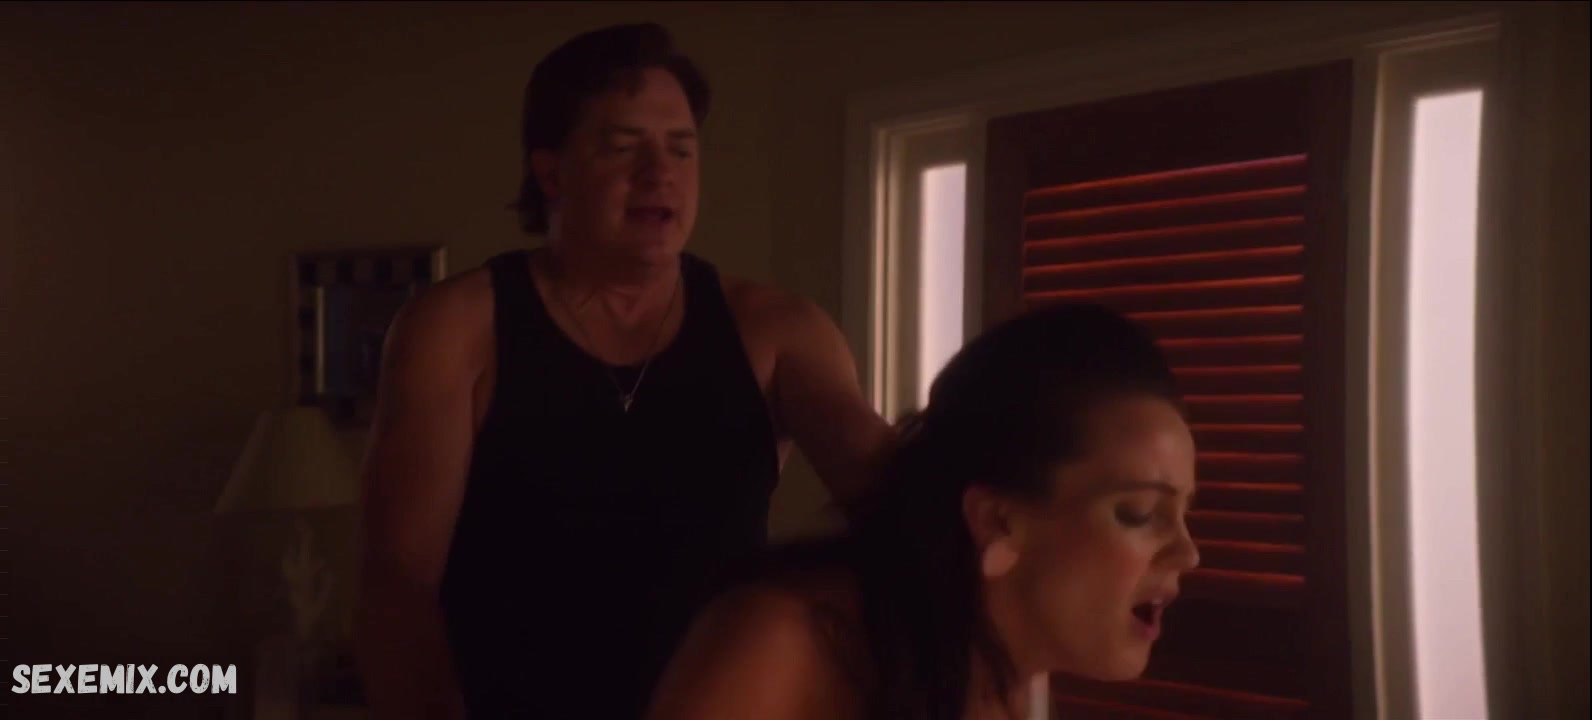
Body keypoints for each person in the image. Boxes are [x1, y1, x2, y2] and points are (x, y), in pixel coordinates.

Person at [353, 23, 892, 719]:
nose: (660, 173)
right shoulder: (456, 330)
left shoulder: (778, 331)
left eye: (681, 149)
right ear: (551, 173)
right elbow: (397, 590)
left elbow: (897, 493)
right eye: (623, 147)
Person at [645, 303, 1203, 720]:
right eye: (1139, 513)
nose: (1188, 553)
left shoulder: (1016, 671)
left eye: (1184, 512)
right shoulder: (781, 645)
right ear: (997, 522)